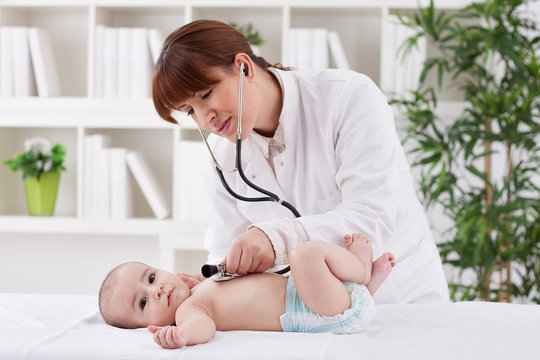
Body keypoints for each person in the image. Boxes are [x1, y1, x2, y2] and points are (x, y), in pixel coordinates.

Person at [152, 20, 449, 303]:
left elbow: (372, 217)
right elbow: (224, 252)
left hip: (401, 301)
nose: (206, 119)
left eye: (206, 94)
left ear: (244, 67)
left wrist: (277, 239)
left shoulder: (348, 98)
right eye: (189, 111)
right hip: (319, 315)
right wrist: (210, 284)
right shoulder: (221, 157)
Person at [99, 234, 394, 348]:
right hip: (313, 310)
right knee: (303, 255)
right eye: (143, 301)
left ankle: (363, 289)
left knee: (307, 267)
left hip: (319, 298)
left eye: (151, 278)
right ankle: (359, 267)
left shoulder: (199, 290)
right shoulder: (190, 312)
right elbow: (204, 327)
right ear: (147, 325)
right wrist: (183, 335)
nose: (158, 289)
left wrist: (199, 282)